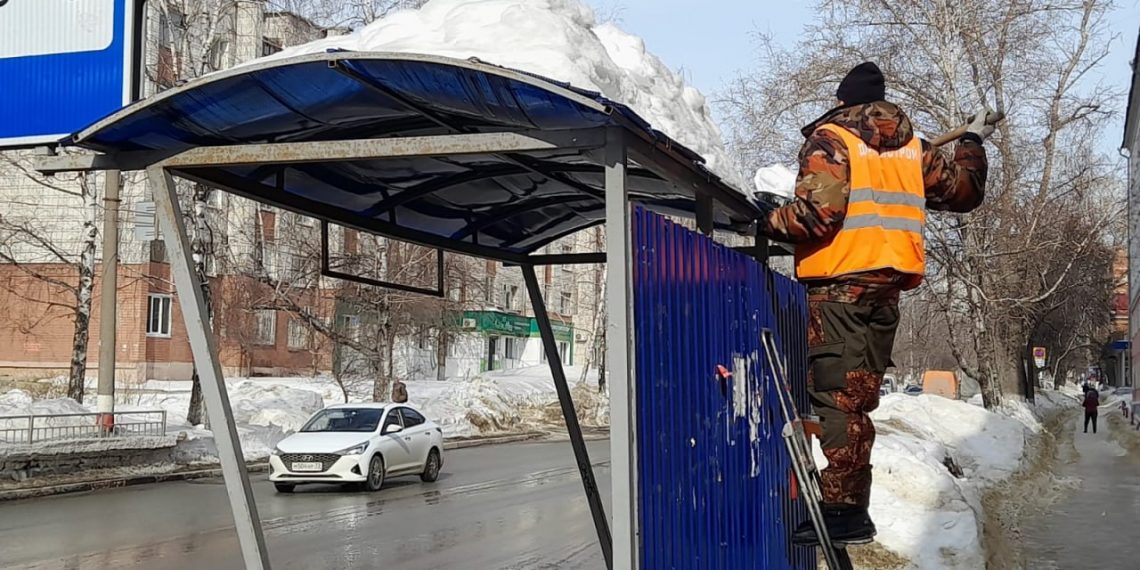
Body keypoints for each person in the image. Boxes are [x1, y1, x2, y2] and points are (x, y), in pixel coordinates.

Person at [760, 62, 991, 546]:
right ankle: (850, 506)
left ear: (844, 101)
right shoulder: (914, 148)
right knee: (857, 398)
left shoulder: (832, 140)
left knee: (837, 398)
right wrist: (972, 141)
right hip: (885, 289)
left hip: (840, 283)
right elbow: (966, 192)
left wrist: (769, 219)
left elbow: (816, 216)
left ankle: (844, 510)